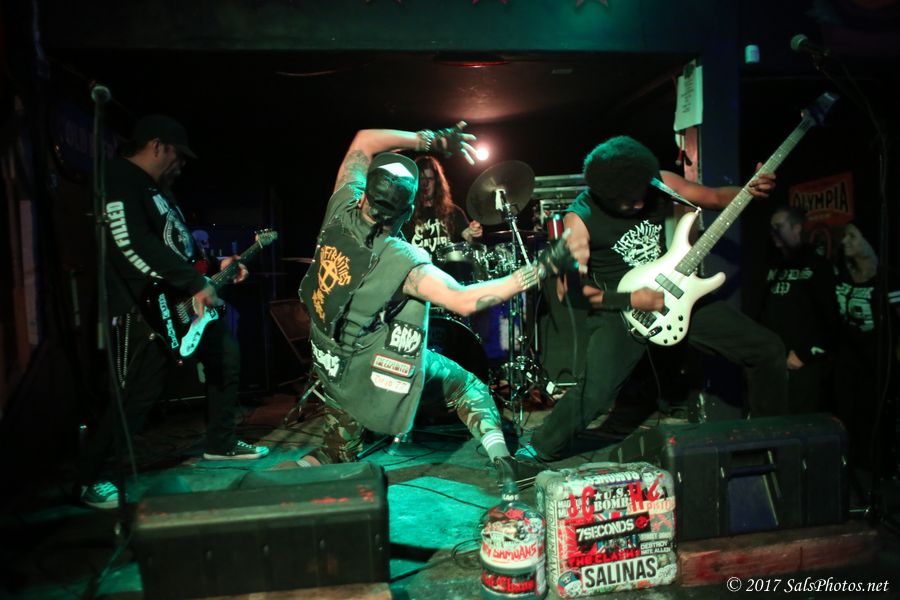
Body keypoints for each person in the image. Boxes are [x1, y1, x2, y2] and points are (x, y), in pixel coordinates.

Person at [296, 122, 586, 490]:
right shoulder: (400, 259)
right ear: (406, 214)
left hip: (329, 361)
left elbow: (364, 140)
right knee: (468, 388)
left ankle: (268, 488)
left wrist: (428, 140)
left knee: (335, 454)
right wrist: (541, 268)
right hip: (370, 368)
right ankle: (507, 465)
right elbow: (463, 300)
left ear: (365, 195)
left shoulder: (342, 205)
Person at [517, 135, 787, 463]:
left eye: (641, 195)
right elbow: (569, 293)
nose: (639, 204)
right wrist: (633, 299)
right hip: (618, 307)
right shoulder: (580, 219)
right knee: (595, 393)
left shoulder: (658, 181)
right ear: (604, 195)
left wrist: (749, 190)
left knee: (768, 349)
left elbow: (716, 197)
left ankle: (764, 444)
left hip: (673, 294)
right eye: (628, 201)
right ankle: (539, 448)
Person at [78, 115, 269, 509]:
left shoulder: (160, 191)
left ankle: (221, 442)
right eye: (178, 155)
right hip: (144, 305)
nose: (181, 164)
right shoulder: (120, 178)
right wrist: (192, 283)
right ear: (157, 145)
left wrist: (215, 265)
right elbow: (130, 243)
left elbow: (179, 248)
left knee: (225, 355)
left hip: (181, 297)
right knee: (138, 392)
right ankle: (91, 478)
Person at [833, 222, 900, 475]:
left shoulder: (888, 279)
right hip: (847, 361)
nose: (845, 242)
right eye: (844, 236)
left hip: (876, 360)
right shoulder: (841, 273)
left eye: (852, 236)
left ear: (869, 242)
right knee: (847, 416)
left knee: (874, 418)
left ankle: (878, 469)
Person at [759, 205, 840, 413]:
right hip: (774, 361)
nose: (774, 232)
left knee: (800, 420)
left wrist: (806, 355)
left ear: (796, 228)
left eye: (779, 226)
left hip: (802, 363)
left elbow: (830, 317)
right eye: (771, 227)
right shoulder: (772, 265)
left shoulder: (817, 265)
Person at [401, 155, 482, 254]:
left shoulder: (453, 211)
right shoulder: (406, 214)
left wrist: (474, 232)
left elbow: (469, 238)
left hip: (448, 264)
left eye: (430, 178)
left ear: (437, 182)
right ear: (415, 182)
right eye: (421, 179)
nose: (425, 183)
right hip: (417, 264)